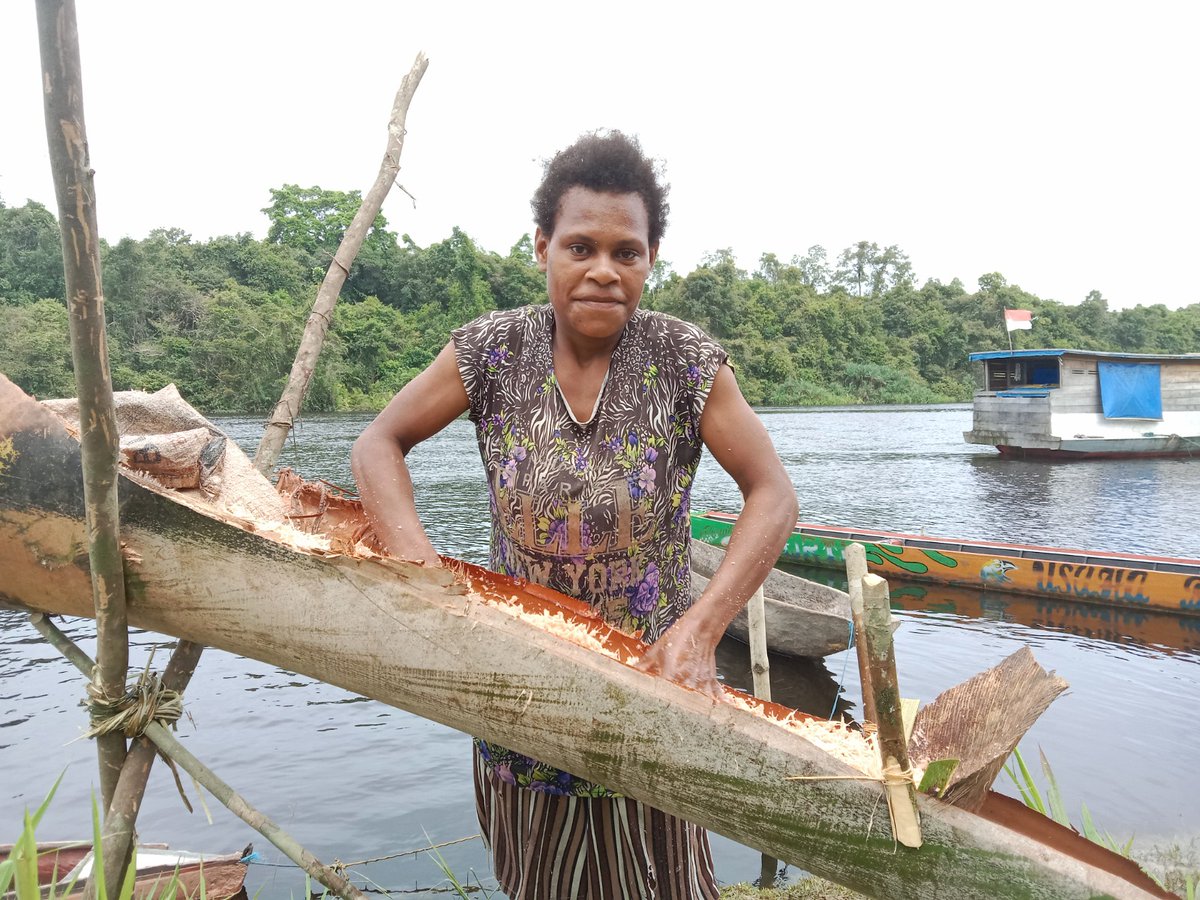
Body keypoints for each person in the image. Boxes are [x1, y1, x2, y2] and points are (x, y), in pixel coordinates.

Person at [351, 130, 797, 900]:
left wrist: (701, 628)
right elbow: (378, 445)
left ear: (651, 258)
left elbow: (773, 493)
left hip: (654, 688)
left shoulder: (685, 362)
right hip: (522, 689)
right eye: (580, 246)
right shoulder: (493, 351)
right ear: (543, 247)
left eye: (627, 252)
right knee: (539, 884)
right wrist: (420, 574)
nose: (603, 270)